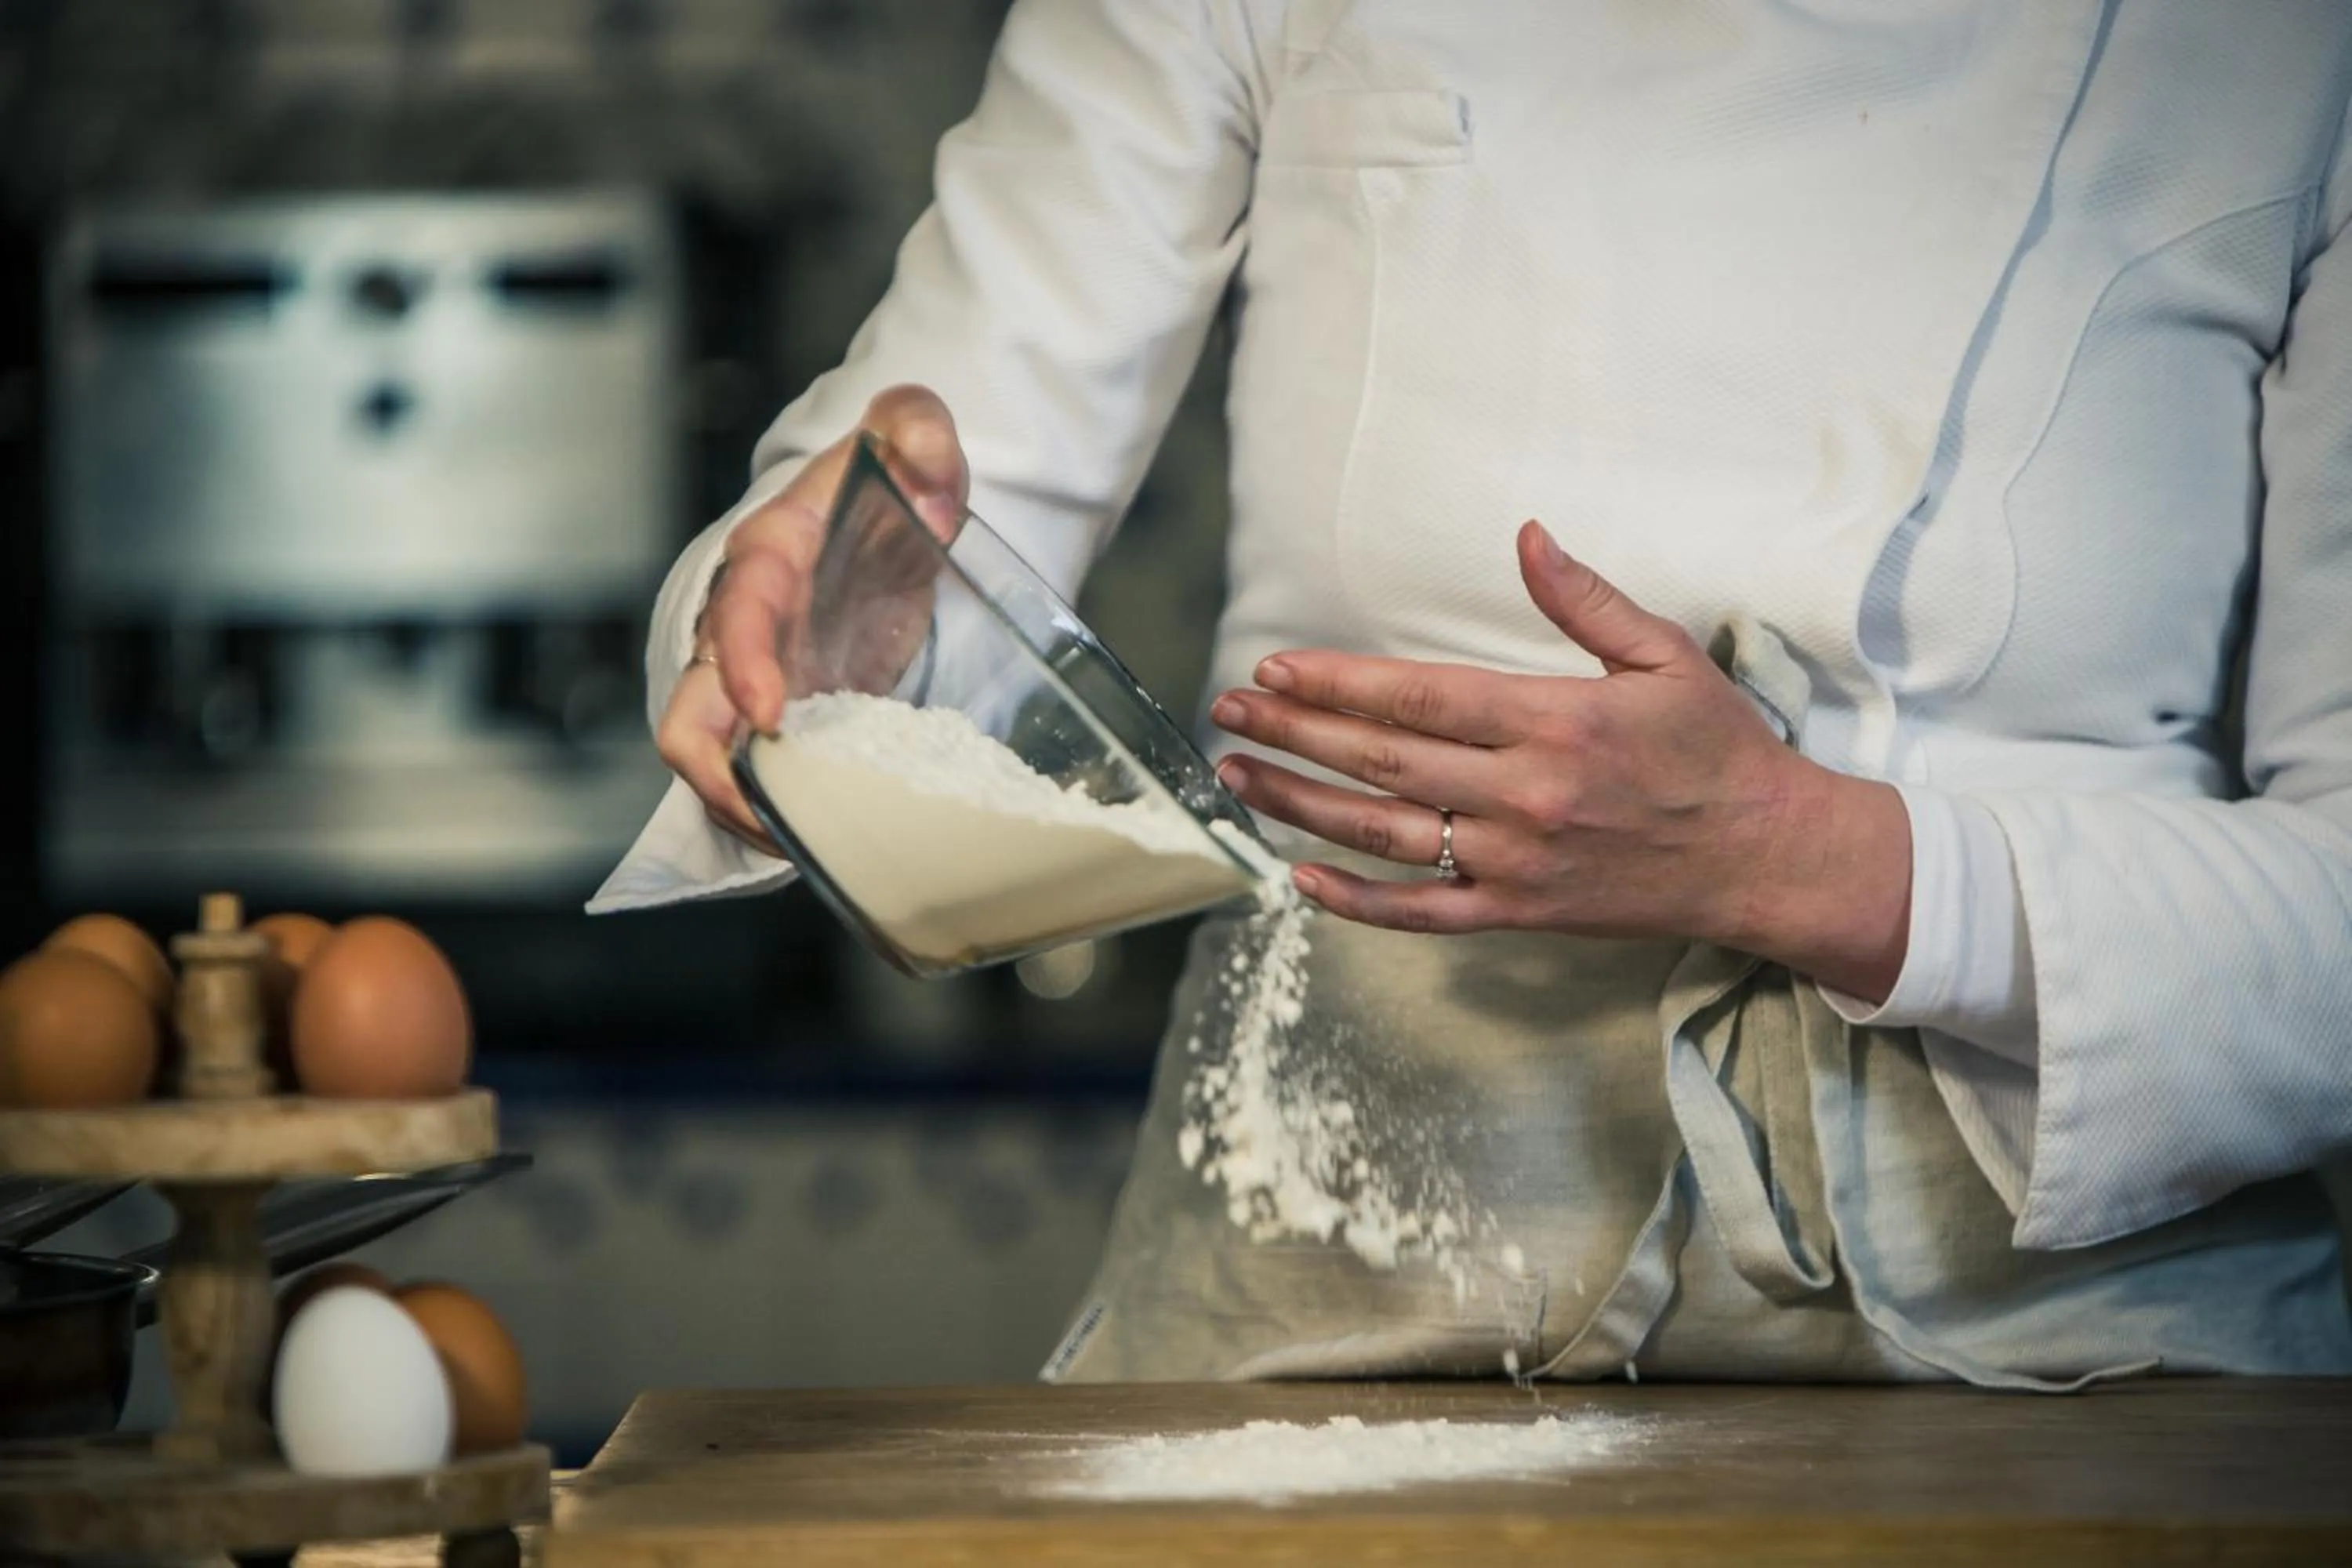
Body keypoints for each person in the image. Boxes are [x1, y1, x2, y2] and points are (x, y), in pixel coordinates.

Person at [593, 2, 2352, 1386]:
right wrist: (834, 624)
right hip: (1330, 1293)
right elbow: (957, 474)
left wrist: (1814, 864)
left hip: (2092, 1353)